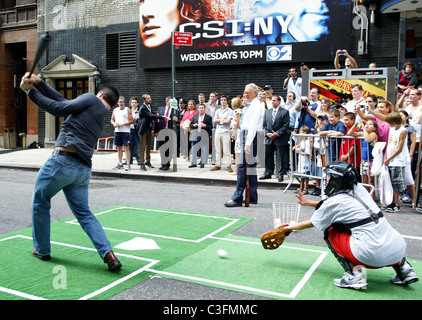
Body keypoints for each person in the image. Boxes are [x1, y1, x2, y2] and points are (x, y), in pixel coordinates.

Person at [20, 72, 122, 271]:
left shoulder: (92, 99)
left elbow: (59, 108)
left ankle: (41, 249)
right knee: (84, 214)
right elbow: (64, 102)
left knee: (40, 201)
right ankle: (108, 253)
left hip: (63, 161)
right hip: (82, 170)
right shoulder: (99, 113)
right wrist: (39, 83)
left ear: (100, 94)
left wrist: (29, 93)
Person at [290, 161, 418, 289]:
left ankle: (355, 275)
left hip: (371, 255)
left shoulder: (335, 201)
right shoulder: (359, 189)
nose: (327, 180)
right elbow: (332, 205)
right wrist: (309, 203)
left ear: (336, 180)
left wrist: (287, 228)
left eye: (329, 177)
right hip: (397, 249)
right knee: (378, 228)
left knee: (331, 231)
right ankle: (405, 269)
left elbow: (312, 222)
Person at [225, 83, 265, 207]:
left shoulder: (256, 106)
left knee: (242, 167)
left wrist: (248, 143)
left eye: (247, 92)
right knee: (250, 168)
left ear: (254, 93)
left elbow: (253, 125)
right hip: (247, 135)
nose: (245, 94)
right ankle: (252, 196)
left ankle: (237, 198)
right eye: (244, 91)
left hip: (249, 136)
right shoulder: (252, 105)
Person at [382, 112, 414, 213]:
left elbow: (399, 148)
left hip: (398, 161)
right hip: (391, 160)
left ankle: (396, 203)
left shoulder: (403, 131)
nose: (390, 125)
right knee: (390, 182)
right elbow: (389, 143)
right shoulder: (392, 129)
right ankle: (391, 202)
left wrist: (389, 158)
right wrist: (386, 156)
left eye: (391, 123)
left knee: (397, 184)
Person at [260, 94, 290, 182]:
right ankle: (268, 173)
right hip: (269, 138)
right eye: (272, 100)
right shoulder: (267, 112)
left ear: (278, 101)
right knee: (268, 156)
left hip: (279, 138)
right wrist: (267, 133)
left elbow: (286, 125)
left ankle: (280, 174)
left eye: (274, 100)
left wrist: (278, 133)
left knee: (280, 156)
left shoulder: (284, 112)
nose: (272, 102)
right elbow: (264, 125)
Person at [349, 118, 379, 198]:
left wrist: (363, 128)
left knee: (371, 181)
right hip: (364, 160)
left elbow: (368, 139)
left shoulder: (373, 134)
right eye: (367, 124)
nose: (367, 126)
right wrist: (355, 125)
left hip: (372, 160)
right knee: (365, 180)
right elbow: (350, 133)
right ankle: (367, 197)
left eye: (370, 124)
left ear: (375, 128)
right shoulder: (363, 133)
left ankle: (372, 197)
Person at [138, 94, 162, 171]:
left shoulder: (149, 107)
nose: (150, 99)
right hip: (142, 129)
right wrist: (161, 116)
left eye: (150, 98)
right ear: (144, 100)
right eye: (148, 98)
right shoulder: (143, 108)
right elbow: (149, 115)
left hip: (148, 128)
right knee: (142, 146)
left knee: (148, 145)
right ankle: (142, 164)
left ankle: (148, 161)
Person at [212, 95, 234, 172]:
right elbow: (214, 121)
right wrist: (222, 120)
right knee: (217, 149)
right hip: (218, 131)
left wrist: (219, 120)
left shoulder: (230, 111)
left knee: (226, 149)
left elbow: (228, 121)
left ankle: (228, 165)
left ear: (227, 101)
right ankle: (218, 164)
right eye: (222, 100)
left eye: (224, 100)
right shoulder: (217, 111)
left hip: (226, 132)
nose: (223, 101)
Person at [111, 96, 133, 171]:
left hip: (125, 131)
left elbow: (131, 121)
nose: (122, 103)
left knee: (126, 147)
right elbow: (112, 120)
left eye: (123, 102)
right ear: (118, 103)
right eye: (120, 102)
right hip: (117, 131)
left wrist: (123, 124)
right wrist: (114, 124)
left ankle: (128, 163)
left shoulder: (127, 110)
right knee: (119, 147)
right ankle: (120, 163)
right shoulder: (115, 110)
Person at [156, 96, 177, 171]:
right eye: (170, 102)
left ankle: (167, 163)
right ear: (167, 102)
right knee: (162, 148)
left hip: (170, 131)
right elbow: (157, 121)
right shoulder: (160, 109)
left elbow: (179, 120)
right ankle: (163, 163)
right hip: (162, 130)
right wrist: (156, 131)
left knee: (169, 148)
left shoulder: (175, 110)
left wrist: (177, 120)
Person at [189, 103, 212, 168]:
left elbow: (211, 126)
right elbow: (190, 124)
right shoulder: (195, 116)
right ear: (198, 109)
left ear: (205, 109)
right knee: (193, 149)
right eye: (200, 108)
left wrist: (205, 126)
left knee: (204, 149)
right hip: (195, 134)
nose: (201, 109)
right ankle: (193, 163)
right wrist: (193, 125)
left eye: (202, 108)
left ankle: (202, 163)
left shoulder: (208, 117)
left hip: (204, 135)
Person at [293, 126, 312, 194]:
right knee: (302, 176)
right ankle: (301, 187)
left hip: (305, 161)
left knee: (306, 176)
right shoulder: (302, 141)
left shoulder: (307, 142)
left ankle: (306, 188)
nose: (301, 134)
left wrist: (299, 152)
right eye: (301, 132)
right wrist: (296, 146)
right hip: (301, 161)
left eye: (303, 132)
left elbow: (308, 153)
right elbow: (300, 145)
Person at [230, 97, 243, 175]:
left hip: (238, 132)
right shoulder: (240, 111)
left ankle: (236, 170)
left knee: (237, 151)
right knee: (238, 151)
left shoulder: (237, 111)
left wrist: (234, 133)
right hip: (239, 131)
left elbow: (237, 123)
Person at [128, 97, 141, 166]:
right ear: (130, 103)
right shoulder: (128, 111)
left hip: (137, 130)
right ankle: (129, 160)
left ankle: (139, 161)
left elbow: (142, 120)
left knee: (139, 145)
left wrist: (137, 120)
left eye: (135, 102)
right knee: (130, 146)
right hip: (130, 130)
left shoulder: (140, 112)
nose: (134, 104)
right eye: (133, 102)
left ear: (137, 104)